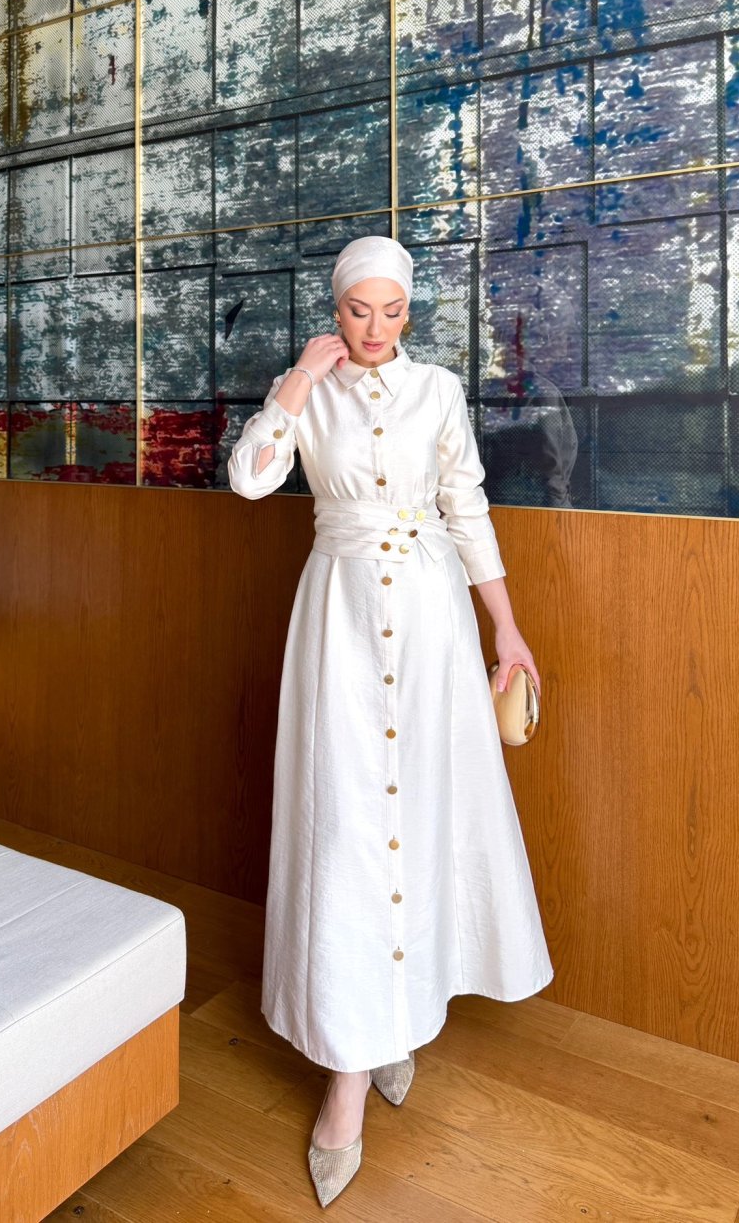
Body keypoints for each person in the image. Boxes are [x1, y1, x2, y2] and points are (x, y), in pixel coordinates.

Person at [227, 235, 554, 1208]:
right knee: (348, 831)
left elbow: (467, 509)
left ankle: (397, 1018)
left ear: (411, 311)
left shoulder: (439, 392)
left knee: (420, 820)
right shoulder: (307, 390)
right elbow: (249, 478)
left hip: (430, 621)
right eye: (357, 309)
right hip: (337, 623)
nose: (374, 328)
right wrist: (295, 383)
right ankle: (348, 1067)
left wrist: (506, 629)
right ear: (335, 309)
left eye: (392, 310)